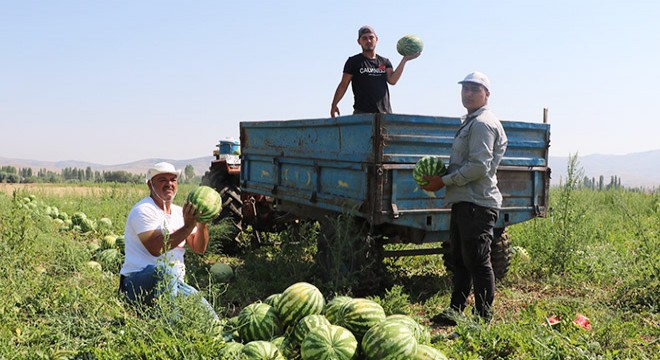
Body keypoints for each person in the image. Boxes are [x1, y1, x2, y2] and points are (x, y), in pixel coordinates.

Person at [423, 71, 508, 324]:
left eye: (474, 89)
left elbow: (479, 167)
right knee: (460, 260)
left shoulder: (482, 123)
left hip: (477, 203)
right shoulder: (470, 121)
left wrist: (444, 180)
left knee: (478, 262)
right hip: (465, 201)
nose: (468, 93)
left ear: (487, 94)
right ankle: (455, 312)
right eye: (465, 89)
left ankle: (482, 320)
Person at [119, 161, 217, 320]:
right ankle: (168, 328)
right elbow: (156, 248)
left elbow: (199, 248)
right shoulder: (143, 210)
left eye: (173, 180)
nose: (169, 184)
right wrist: (187, 227)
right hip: (136, 284)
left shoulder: (179, 213)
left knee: (210, 320)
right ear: (150, 185)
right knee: (165, 271)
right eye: (162, 180)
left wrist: (202, 223)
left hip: (174, 284)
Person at [330, 25, 420, 118]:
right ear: (359, 42)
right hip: (362, 113)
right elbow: (343, 85)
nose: (368, 41)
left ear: (376, 39)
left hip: (385, 113)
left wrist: (404, 60)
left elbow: (392, 80)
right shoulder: (353, 61)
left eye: (371, 37)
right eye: (364, 38)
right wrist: (334, 104)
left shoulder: (385, 62)